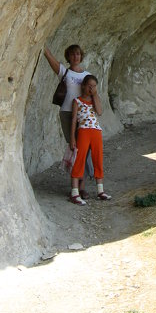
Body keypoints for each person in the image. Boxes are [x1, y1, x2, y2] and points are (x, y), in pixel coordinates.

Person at [44, 44, 94, 196]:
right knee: (75, 148)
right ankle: (76, 186)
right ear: (68, 57)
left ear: (81, 56)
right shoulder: (65, 73)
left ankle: (82, 185)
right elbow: (51, 59)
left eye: (78, 54)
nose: (75, 57)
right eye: (72, 54)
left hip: (82, 115)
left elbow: (93, 94)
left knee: (85, 149)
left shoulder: (87, 75)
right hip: (67, 113)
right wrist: (44, 46)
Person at [69, 74, 111, 204]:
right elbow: (74, 120)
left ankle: (100, 190)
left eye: (94, 86)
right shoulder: (77, 101)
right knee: (80, 158)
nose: (91, 88)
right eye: (89, 86)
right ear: (83, 86)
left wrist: (95, 95)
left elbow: (99, 111)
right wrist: (72, 138)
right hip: (83, 131)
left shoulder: (94, 100)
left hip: (96, 131)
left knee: (98, 158)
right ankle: (75, 192)